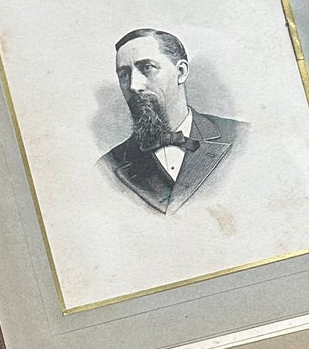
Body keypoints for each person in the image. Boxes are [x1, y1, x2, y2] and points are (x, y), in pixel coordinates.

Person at [97, 27, 245, 214]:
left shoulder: (239, 137)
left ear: (181, 72)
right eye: (124, 75)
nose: (134, 85)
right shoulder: (107, 167)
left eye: (147, 68)